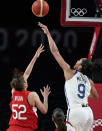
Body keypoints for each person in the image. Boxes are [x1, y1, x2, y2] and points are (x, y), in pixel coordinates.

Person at [38, 22, 99, 131]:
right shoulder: (89, 80)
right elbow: (95, 97)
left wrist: (48, 34)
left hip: (76, 112)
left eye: (80, 60)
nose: (77, 60)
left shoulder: (70, 72)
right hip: (88, 112)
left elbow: (55, 52)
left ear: (80, 67)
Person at [7, 44, 51, 131]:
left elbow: (26, 74)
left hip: (12, 129)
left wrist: (35, 57)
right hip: (26, 129)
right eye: (25, 80)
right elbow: (44, 110)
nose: (26, 79)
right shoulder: (32, 95)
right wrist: (45, 97)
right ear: (25, 85)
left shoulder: (13, 92)